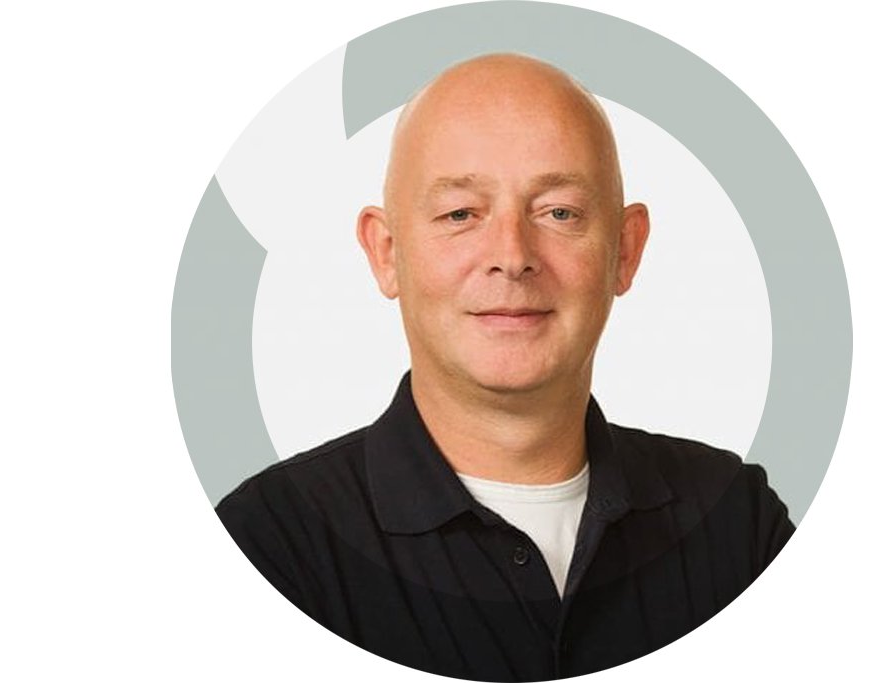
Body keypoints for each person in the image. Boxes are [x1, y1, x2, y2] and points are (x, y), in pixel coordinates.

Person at [217, 53, 794, 681]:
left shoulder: (737, 525)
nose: (512, 257)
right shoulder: (265, 547)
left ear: (624, 252)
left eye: (560, 213)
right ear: (386, 253)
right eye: (460, 214)